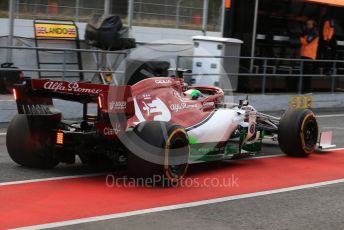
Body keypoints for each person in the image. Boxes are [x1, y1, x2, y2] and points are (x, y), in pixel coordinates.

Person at [300, 19, 319, 93]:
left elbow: (306, 42)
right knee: (304, 74)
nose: (307, 25)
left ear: (313, 25)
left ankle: (307, 90)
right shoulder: (308, 32)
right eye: (307, 24)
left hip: (309, 55)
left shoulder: (314, 33)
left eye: (309, 24)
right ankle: (305, 90)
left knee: (307, 74)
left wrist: (300, 37)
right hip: (305, 54)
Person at [318, 6, 336, 74]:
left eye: (323, 10)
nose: (321, 11)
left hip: (326, 40)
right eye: (321, 10)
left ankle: (327, 69)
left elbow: (331, 29)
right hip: (321, 39)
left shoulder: (328, 18)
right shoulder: (321, 18)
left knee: (326, 55)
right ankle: (318, 68)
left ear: (325, 11)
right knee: (320, 53)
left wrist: (328, 38)